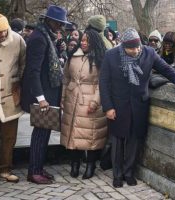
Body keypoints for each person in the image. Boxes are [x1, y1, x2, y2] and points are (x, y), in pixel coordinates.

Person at [99, 28, 175, 188]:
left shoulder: (148, 53)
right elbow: (103, 82)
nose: (136, 51)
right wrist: (108, 107)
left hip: (139, 105)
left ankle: (128, 172)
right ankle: (117, 174)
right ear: (123, 46)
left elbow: (165, 68)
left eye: (137, 47)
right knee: (117, 140)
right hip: (118, 105)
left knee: (134, 140)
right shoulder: (111, 56)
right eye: (131, 48)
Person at [21, 5, 70, 184]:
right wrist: (41, 99)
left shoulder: (47, 36)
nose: (61, 27)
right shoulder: (39, 38)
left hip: (49, 94)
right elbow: (33, 72)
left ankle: (38, 168)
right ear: (50, 20)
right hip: (43, 97)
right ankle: (33, 172)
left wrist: (59, 49)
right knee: (40, 134)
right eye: (59, 23)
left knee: (45, 133)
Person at [60, 28, 107, 179]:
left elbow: (103, 83)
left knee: (91, 135)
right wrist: (63, 97)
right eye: (83, 40)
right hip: (72, 99)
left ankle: (91, 165)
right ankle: (75, 165)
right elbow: (66, 78)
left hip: (90, 100)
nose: (84, 43)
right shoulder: (73, 56)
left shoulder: (100, 59)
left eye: (87, 40)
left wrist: (95, 101)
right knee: (73, 134)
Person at [0, 13, 26, 185]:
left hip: (9, 97)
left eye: (5, 31)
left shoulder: (17, 40)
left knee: (9, 137)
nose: (3, 35)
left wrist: (16, 82)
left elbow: (23, 63)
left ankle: (5, 169)